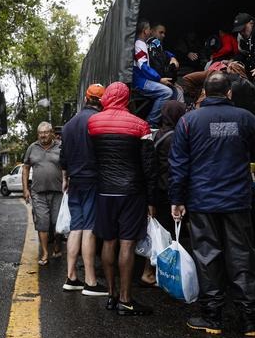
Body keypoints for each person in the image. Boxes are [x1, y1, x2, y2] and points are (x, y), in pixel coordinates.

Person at [170, 72, 255, 336]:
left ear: (204, 92)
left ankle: (213, 317)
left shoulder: (188, 121)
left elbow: (178, 165)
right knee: (242, 254)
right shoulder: (247, 119)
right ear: (229, 93)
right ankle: (249, 320)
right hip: (237, 199)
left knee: (207, 255)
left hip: (202, 200)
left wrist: (177, 199)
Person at [88, 82, 158, 315]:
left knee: (108, 242)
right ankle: (126, 300)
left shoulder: (93, 123)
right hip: (131, 191)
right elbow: (149, 165)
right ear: (127, 99)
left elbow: (92, 159)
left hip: (104, 191)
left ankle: (111, 295)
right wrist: (151, 199)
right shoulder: (141, 125)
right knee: (127, 243)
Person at [59, 84, 109, 296]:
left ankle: (71, 278)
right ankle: (90, 282)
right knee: (89, 228)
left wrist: (65, 178)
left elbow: (63, 158)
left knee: (76, 228)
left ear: (86, 99)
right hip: (91, 180)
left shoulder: (68, 125)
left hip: (74, 181)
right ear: (102, 100)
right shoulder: (97, 121)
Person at [139, 100, 187, 287]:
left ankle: (150, 270)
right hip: (170, 192)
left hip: (156, 191)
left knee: (157, 235)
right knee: (169, 236)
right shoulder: (176, 137)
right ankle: (159, 273)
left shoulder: (156, 134)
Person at [22, 121, 64, 265]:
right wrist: (25, 189)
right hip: (38, 193)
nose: (43, 136)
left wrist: (67, 182)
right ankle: (45, 253)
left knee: (57, 223)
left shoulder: (60, 146)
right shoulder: (32, 148)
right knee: (42, 223)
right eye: (40, 133)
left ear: (52, 133)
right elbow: (26, 168)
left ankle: (57, 245)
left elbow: (67, 167)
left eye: (46, 132)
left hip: (58, 192)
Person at [132, 20, 175, 127]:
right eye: (149, 29)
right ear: (145, 31)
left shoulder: (144, 44)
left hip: (145, 79)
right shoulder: (139, 44)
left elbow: (162, 52)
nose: (150, 31)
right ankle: (150, 124)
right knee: (167, 92)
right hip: (140, 82)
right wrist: (159, 79)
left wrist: (172, 56)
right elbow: (143, 66)